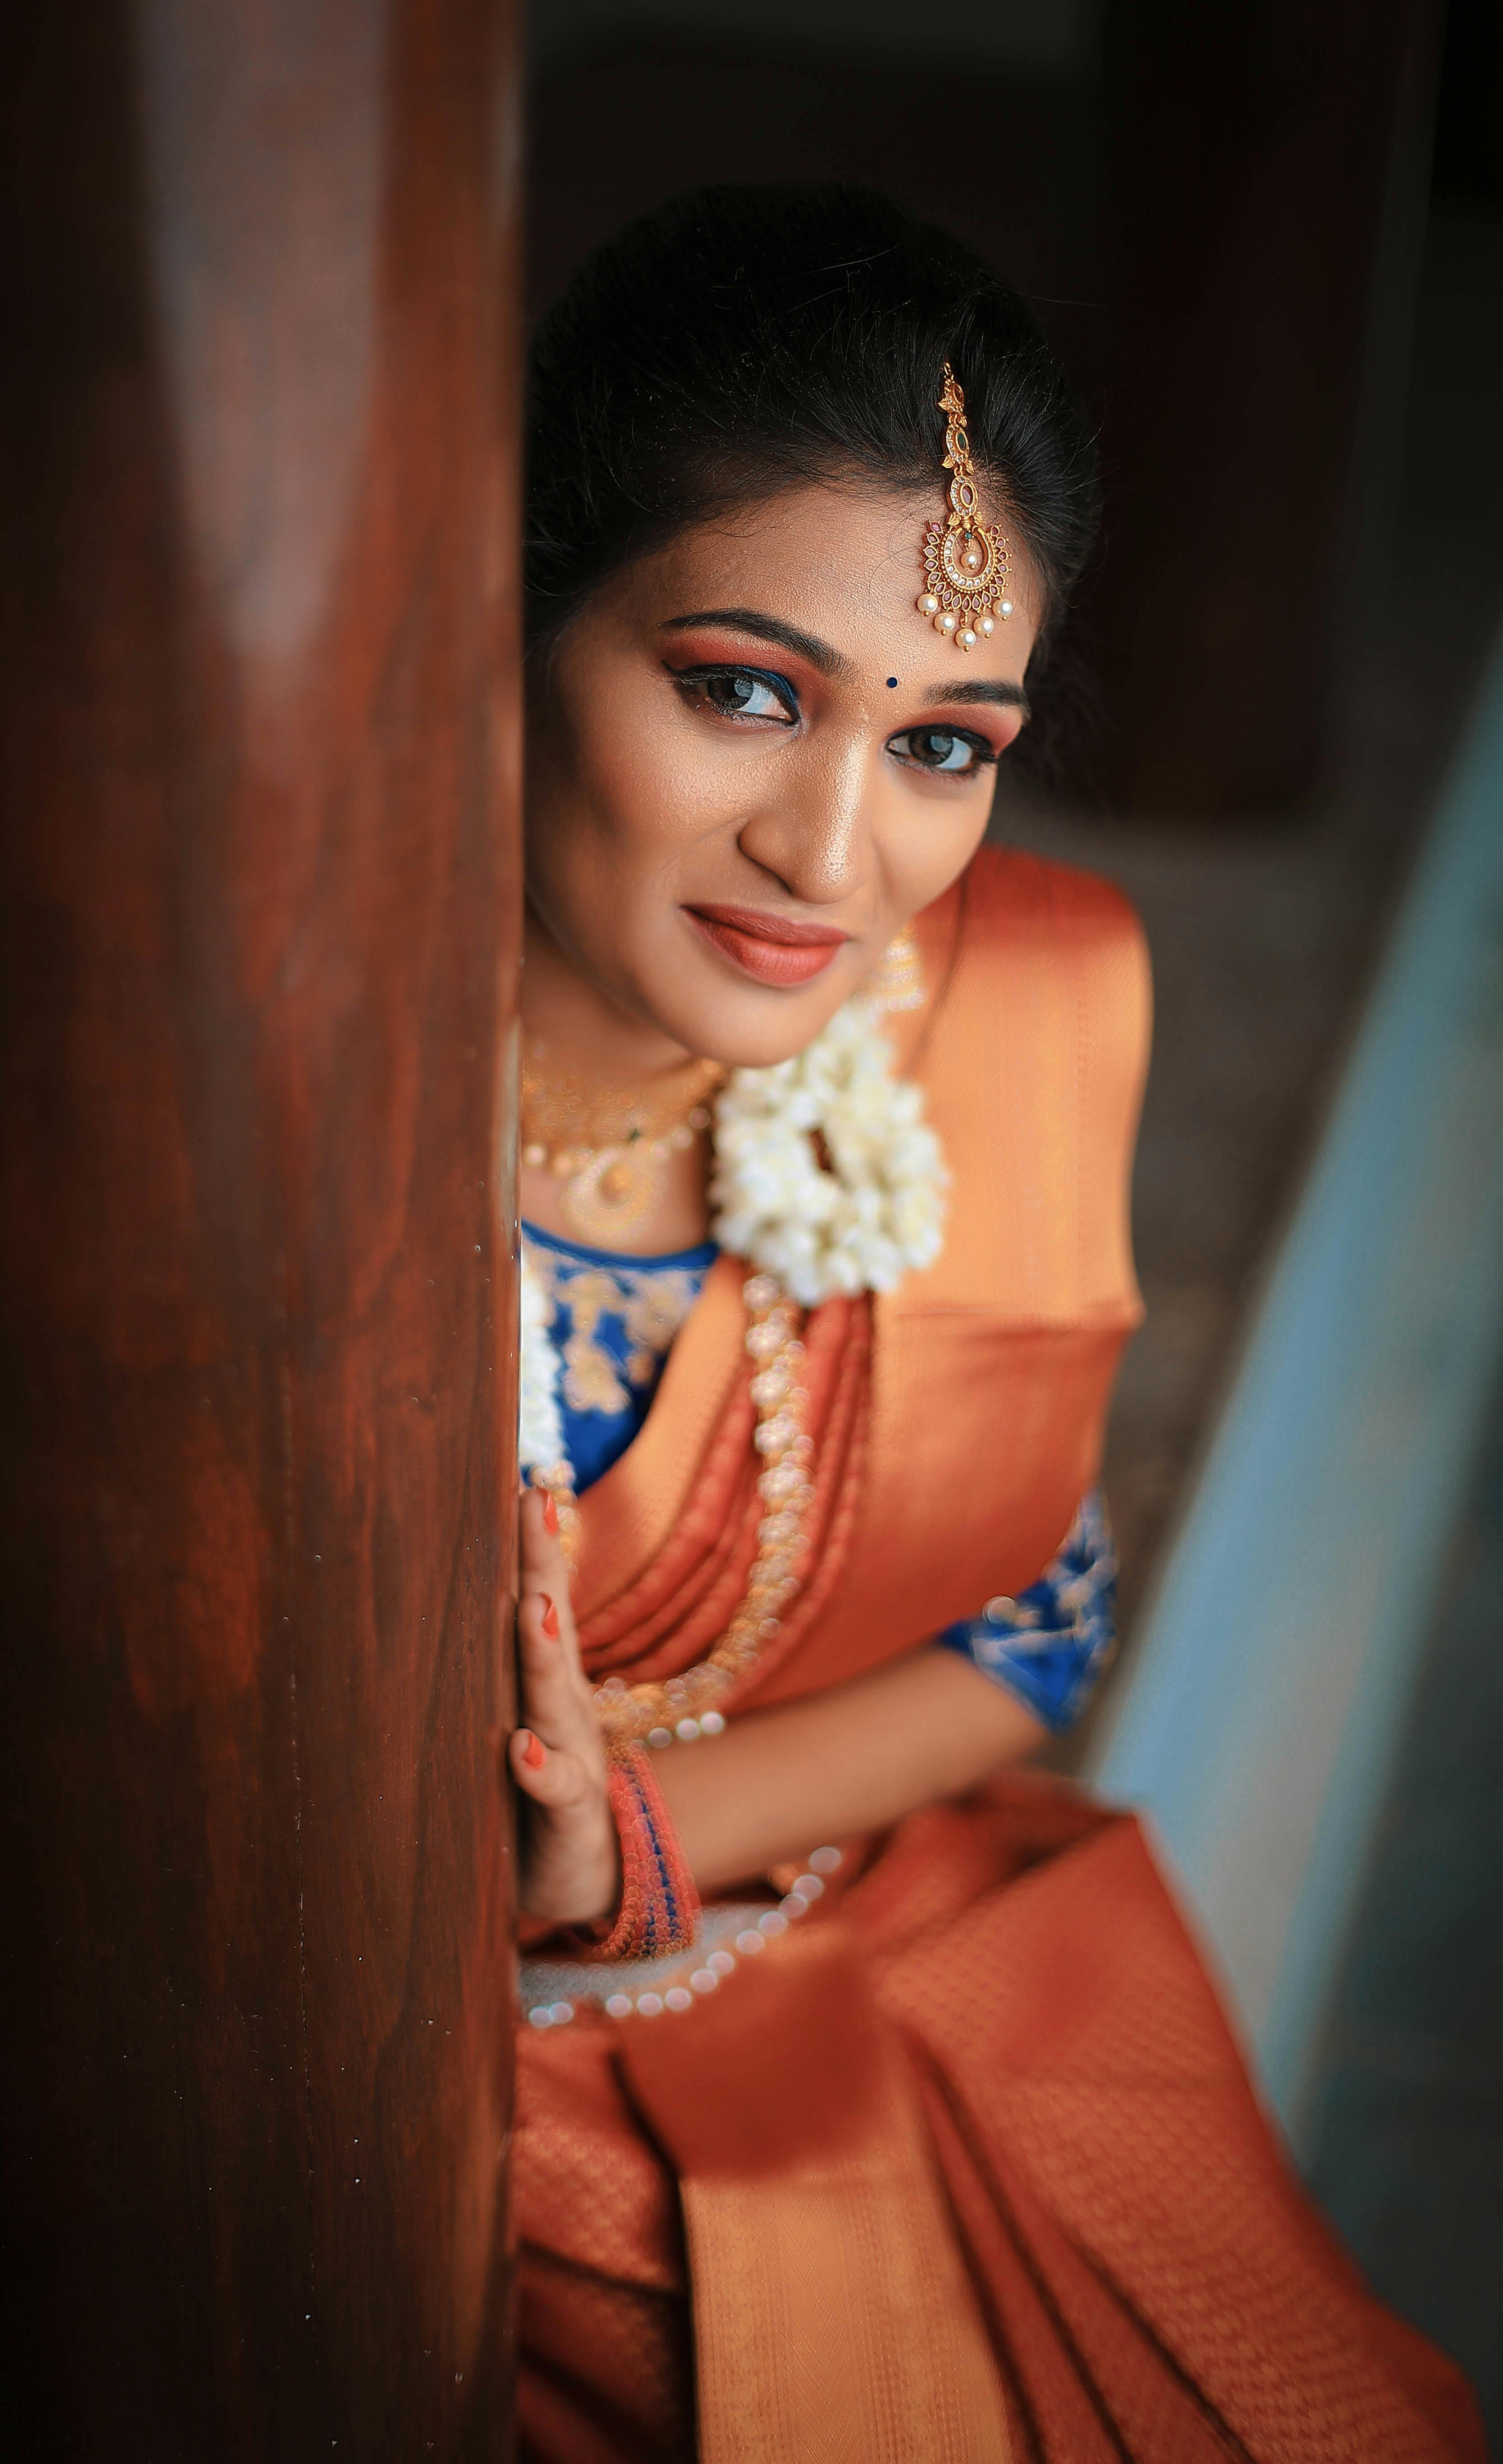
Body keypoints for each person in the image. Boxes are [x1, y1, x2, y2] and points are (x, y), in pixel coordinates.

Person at [505, 185, 1484, 2464]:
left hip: (886, 1922)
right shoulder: (264, 1147)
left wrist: (637, 1847)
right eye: (745, 691)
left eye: (945, 742)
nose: (838, 860)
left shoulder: (1015, 999)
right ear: (506, 612)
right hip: (423, 2081)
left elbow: (1041, 1621)